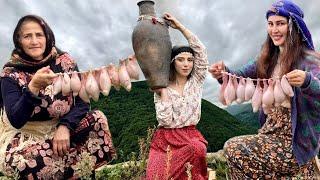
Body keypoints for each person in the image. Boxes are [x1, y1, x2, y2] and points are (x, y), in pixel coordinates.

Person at [209, 0, 320, 179]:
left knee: (232, 148)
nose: (274, 30)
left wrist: (307, 81)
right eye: (270, 24)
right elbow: (241, 75)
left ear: (294, 26)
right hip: (269, 132)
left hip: (293, 142)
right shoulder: (266, 60)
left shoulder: (310, 60)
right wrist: (224, 73)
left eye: (280, 24)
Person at [0, 15, 116, 179]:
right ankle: (77, 170)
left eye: (39, 35)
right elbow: (16, 119)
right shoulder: (10, 74)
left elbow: (82, 102)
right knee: (23, 162)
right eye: (27, 36)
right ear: (18, 41)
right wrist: (33, 87)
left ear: (47, 36)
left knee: (98, 119)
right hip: (28, 137)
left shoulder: (65, 62)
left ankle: (74, 170)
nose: (34, 41)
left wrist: (65, 127)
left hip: (62, 131)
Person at [146, 13, 209, 179]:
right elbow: (165, 121)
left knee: (196, 150)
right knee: (157, 175)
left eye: (190, 60)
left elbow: (201, 51)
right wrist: (164, 94)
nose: (187, 64)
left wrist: (180, 27)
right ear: (173, 62)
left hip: (190, 135)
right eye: (181, 59)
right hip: (165, 138)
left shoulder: (196, 81)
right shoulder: (162, 86)